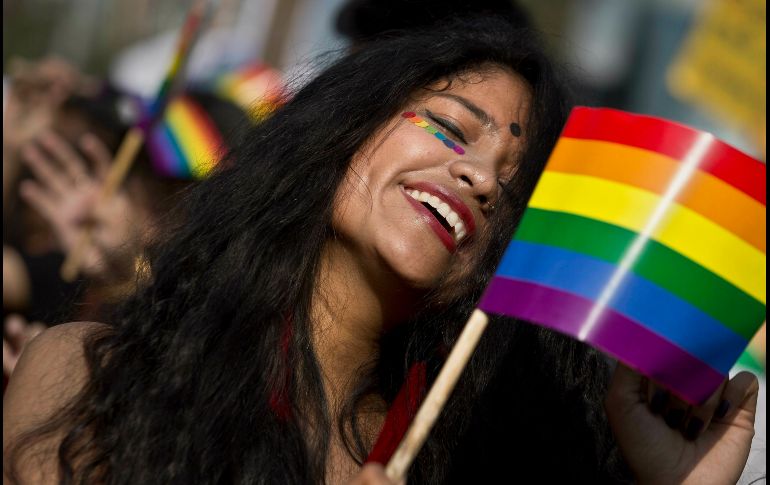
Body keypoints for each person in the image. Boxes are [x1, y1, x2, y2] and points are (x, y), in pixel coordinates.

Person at [3, 17, 758, 485]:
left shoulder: (462, 464)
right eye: (453, 127)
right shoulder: (87, 376)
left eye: (513, 185)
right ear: (342, 135)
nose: (481, 176)